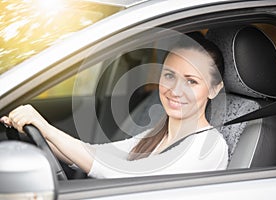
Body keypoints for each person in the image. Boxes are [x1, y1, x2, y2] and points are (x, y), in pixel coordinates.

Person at [0, 32, 228, 178]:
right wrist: (39, 131)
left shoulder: (209, 146)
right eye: (169, 76)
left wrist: (45, 127)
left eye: (191, 81)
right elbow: (96, 155)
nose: (176, 90)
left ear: (214, 89)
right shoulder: (158, 134)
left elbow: (122, 177)